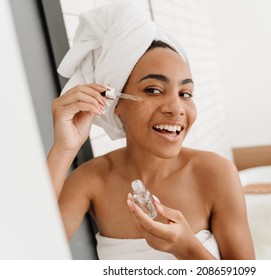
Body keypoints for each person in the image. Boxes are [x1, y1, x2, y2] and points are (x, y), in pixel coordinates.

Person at [47, 0, 255, 260]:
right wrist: (64, 149)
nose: (176, 108)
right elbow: (28, 253)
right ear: (115, 104)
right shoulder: (90, 180)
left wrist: (187, 249)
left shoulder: (216, 173)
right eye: (153, 90)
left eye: (185, 93)